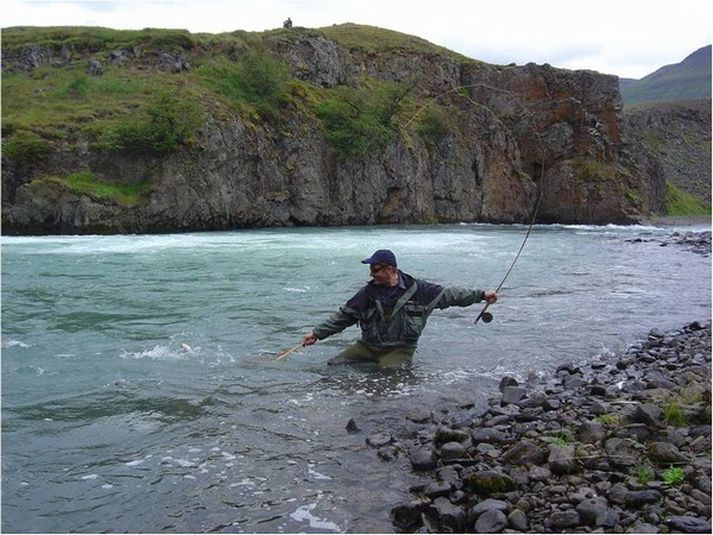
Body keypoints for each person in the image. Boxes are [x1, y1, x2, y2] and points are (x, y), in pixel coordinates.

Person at [302, 249, 498, 368]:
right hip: (367, 346)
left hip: (400, 349)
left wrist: (481, 295)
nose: (371, 274)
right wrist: (317, 334)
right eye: (371, 270)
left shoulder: (421, 290)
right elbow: (343, 317)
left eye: (375, 270)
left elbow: (452, 295)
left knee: (388, 377)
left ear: (390, 269)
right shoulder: (366, 294)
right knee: (333, 366)